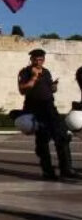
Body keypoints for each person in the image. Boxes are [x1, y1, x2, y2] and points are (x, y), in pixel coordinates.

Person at [18, 49, 79, 180]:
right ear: (31, 59)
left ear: (44, 59)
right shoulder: (25, 72)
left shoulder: (46, 72)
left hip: (50, 108)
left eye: (40, 59)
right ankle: (48, 172)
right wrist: (34, 77)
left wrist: (53, 87)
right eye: (35, 59)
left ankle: (66, 169)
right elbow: (22, 90)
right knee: (42, 141)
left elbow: (49, 89)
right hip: (35, 109)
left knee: (63, 136)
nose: (38, 62)